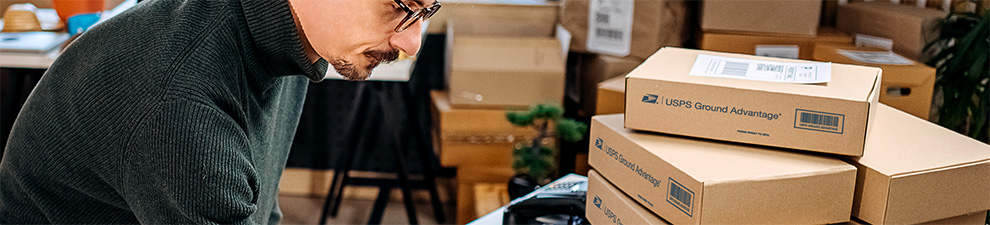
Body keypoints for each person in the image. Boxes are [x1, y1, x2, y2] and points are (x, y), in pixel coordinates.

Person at [0, 0, 439, 223]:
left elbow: (259, 208)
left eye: (428, 9)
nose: (412, 42)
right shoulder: (180, 106)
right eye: (401, 6)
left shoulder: (293, 40)